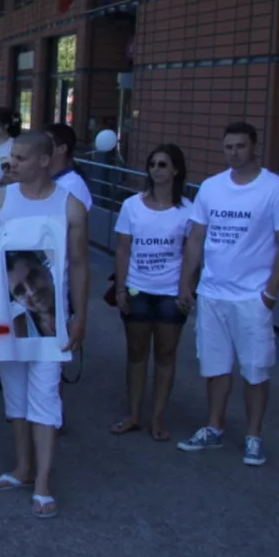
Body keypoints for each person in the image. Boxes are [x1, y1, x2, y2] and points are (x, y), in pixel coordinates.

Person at [177, 123, 279, 466]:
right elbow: (197, 238)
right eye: (228, 146)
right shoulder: (212, 188)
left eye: (241, 146)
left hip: (252, 297)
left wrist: (270, 294)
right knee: (214, 367)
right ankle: (214, 428)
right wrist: (187, 281)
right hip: (213, 293)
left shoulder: (275, 189)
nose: (234, 152)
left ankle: (253, 436)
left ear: (254, 148)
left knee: (255, 369)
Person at [0, 131, 88, 519]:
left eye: (22, 158)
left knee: (46, 397)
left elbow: (79, 265)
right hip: (8, 319)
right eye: (12, 157)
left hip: (52, 322)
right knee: (15, 395)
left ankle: (43, 481)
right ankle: (22, 468)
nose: (13, 164)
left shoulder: (71, 206)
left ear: (45, 160)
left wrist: (79, 317)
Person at [110, 144, 192, 442]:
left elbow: (191, 254)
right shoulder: (132, 205)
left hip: (171, 293)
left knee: (166, 355)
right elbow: (122, 248)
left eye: (163, 165)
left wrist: (186, 289)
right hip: (137, 289)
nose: (156, 170)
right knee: (136, 353)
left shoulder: (188, 211)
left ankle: (157, 418)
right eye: (153, 164)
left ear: (176, 170)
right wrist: (120, 287)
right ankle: (133, 414)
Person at [45, 122, 92, 209]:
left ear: (62, 149)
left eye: (47, 143)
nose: (41, 147)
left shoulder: (74, 186)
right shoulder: (42, 178)